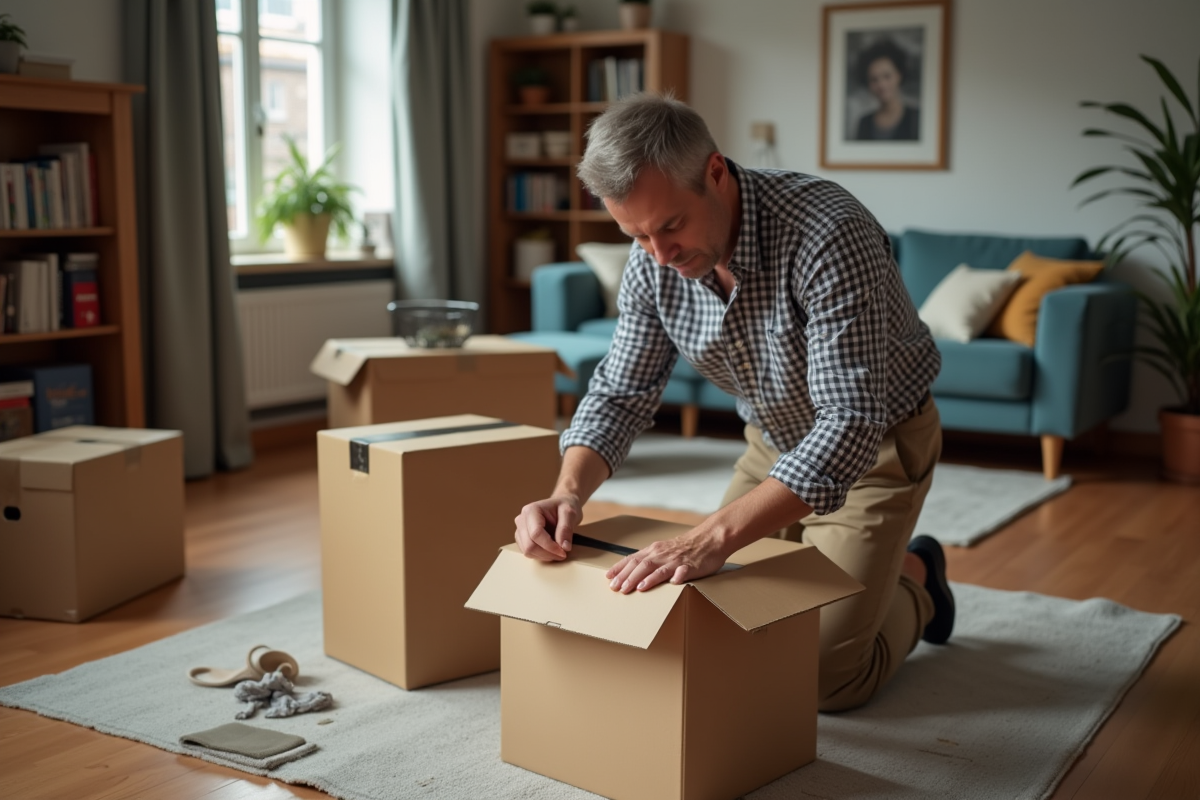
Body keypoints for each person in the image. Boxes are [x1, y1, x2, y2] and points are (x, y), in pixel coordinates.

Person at [512, 93, 953, 712]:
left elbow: (851, 420)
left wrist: (713, 537)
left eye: (670, 226)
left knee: (826, 677)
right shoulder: (652, 263)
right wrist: (567, 493)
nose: (659, 255)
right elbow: (620, 392)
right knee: (708, 625)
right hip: (771, 440)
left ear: (715, 172)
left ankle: (919, 578)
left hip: (874, 451)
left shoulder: (829, 232)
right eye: (635, 235)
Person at [853, 37, 920, 141]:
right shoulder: (864, 123)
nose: (881, 85)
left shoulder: (916, 118)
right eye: (874, 79)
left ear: (899, 75)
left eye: (887, 76)